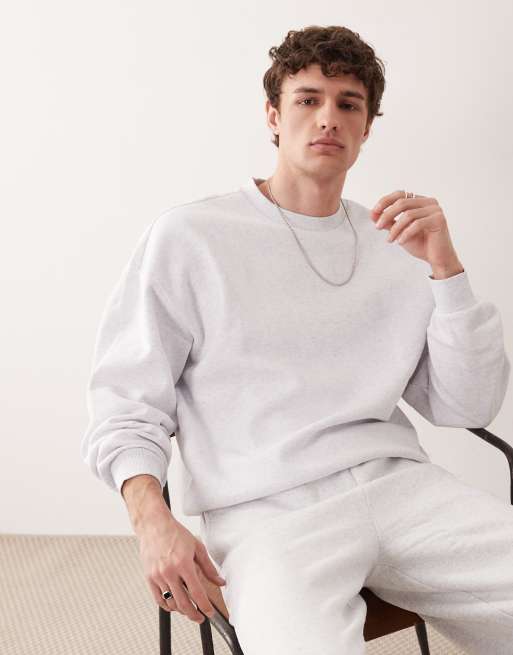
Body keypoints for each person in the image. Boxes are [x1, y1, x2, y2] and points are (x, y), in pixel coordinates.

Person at [81, 25, 513, 654]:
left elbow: (466, 406)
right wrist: (151, 520)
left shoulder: (398, 243)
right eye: (308, 99)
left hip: (405, 489)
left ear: (367, 127)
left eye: (348, 104)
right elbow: (125, 401)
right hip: (267, 514)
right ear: (273, 117)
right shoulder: (192, 237)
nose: (328, 118)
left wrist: (446, 270)